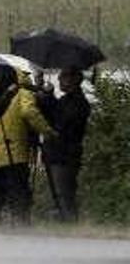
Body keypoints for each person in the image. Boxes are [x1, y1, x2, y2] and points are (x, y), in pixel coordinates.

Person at [0, 68, 56, 224]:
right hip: (16, 151)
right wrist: (47, 131)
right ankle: (21, 223)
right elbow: (28, 112)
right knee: (19, 190)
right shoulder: (23, 93)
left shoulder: (1, 95)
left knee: (0, 192)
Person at [40, 67, 91, 221]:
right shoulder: (66, 100)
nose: (60, 80)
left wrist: (49, 99)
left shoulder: (79, 103)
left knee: (64, 194)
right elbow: (53, 112)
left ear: (73, 80)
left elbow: (61, 121)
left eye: (63, 77)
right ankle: (64, 222)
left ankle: (69, 221)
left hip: (65, 155)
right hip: (56, 153)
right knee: (59, 194)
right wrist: (47, 93)